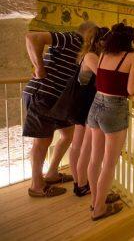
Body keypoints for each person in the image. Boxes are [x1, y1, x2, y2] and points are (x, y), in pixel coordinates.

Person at [23, 22, 95, 197]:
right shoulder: (72, 38)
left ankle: (52, 173)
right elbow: (32, 37)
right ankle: (37, 186)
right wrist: (39, 67)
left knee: (68, 134)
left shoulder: (84, 50)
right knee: (42, 142)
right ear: (88, 33)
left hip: (58, 100)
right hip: (42, 95)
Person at [87, 23, 134, 220]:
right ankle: (100, 208)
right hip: (114, 107)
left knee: (95, 159)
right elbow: (131, 90)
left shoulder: (103, 54)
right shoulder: (132, 56)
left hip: (96, 104)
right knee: (109, 164)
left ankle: (95, 201)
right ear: (130, 40)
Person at [69, 26, 109, 196]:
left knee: (79, 146)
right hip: (85, 104)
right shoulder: (91, 56)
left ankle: (79, 182)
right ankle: (81, 184)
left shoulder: (90, 55)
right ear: (100, 42)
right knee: (82, 147)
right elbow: (104, 78)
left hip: (84, 102)